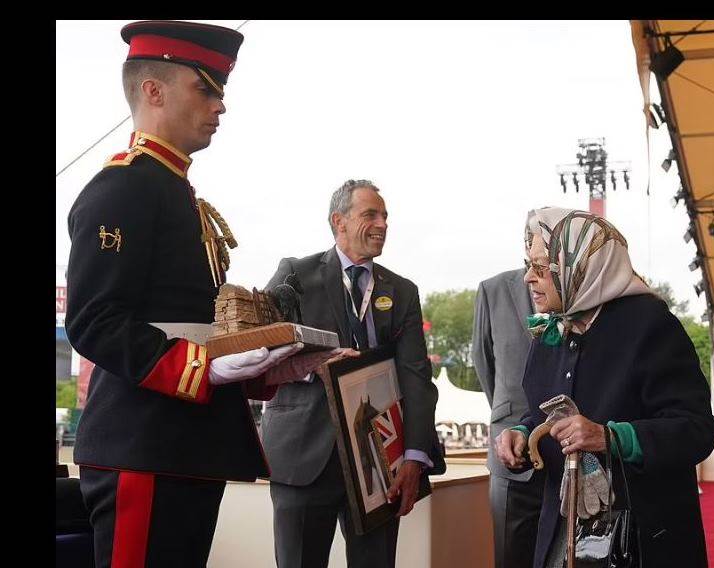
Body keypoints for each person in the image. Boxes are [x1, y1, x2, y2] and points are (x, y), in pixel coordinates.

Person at [65, 21, 333, 567]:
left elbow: (190, 321)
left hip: (183, 445)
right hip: (143, 443)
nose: (220, 106)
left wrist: (268, 366)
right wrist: (201, 369)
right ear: (153, 91)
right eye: (205, 89)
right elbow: (93, 319)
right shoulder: (123, 187)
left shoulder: (173, 191)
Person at [494, 207, 714, 568]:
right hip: (563, 536)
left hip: (641, 540)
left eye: (541, 267)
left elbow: (697, 429)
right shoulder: (551, 332)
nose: (528, 278)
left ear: (581, 266)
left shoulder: (651, 325)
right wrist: (524, 434)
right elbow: (548, 412)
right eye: (528, 265)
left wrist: (610, 437)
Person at [262, 179, 446, 568]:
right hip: (303, 457)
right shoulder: (295, 275)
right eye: (370, 215)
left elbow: (416, 379)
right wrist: (310, 366)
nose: (382, 224)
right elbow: (259, 350)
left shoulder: (403, 291)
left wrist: (414, 456)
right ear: (339, 221)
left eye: (385, 216)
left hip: (379, 464)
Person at [473, 268, 545, 568]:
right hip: (509, 456)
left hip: (567, 452)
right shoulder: (493, 289)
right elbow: (482, 362)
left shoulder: (579, 290)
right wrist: (508, 416)